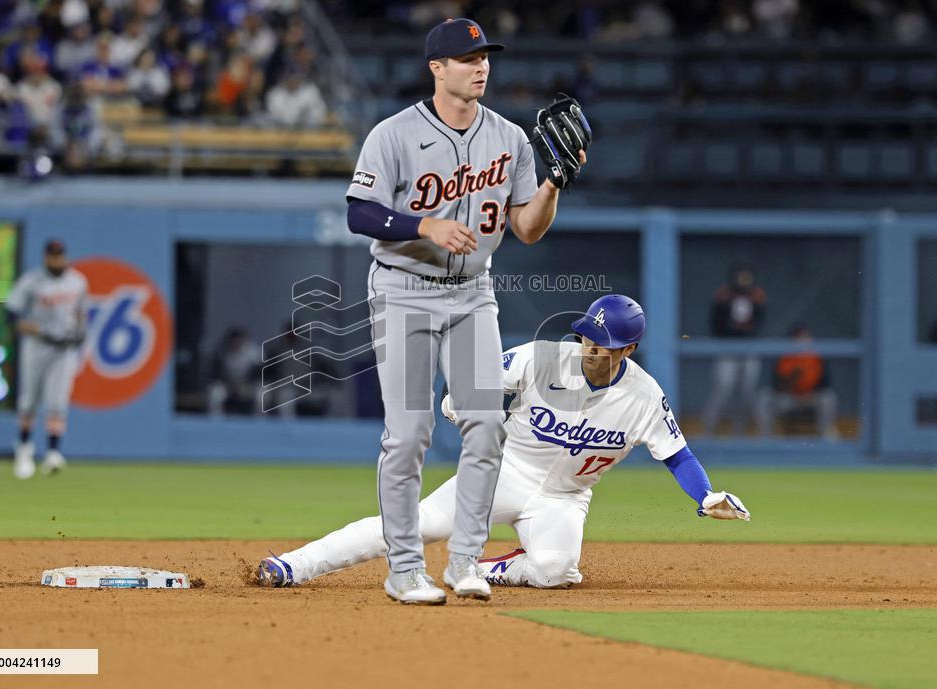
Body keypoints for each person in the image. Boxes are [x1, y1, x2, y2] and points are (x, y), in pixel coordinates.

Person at [334, 17, 589, 605]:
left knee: (487, 425)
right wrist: (423, 224)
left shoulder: (510, 138)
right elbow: (360, 214)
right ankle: (403, 570)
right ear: (437, 68)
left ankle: (466, 562)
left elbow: (526, 228)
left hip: (473, 293)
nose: (482, 66)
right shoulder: (393, 135)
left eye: (485, 57)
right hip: (403, 289)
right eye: (469, 58)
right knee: (409, 435)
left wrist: (552, 185)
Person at [257, 295, 750, 594]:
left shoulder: (644, 396)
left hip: (564, 497)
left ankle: (491, 569)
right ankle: (294, 566)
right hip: (502, 471)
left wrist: (705, 496)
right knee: (418, 524)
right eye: (587, 339)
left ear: (629, 349)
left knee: (558, 572)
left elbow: (677, 455)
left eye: (604, 345)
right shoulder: (541, 358)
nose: (591, 349)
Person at [4, 239, 89, 479]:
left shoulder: (78, 281)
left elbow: (81, 313)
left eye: (60, 255)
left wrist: (81, 333)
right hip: (37, 345)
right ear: (45, 257)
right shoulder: (32, 281)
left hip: (64, 347)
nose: (57, 259)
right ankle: (23, 449)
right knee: (29, 400)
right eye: (53, 255)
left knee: (57, 401)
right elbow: (10, 313)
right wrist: (26, 327)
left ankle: (53, 453)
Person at [702, 263, 767, 436]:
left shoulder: (756, 295)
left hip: (749, 349)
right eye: (741, 276)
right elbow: (715, 322)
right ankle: (707, 433)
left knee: (747, 393)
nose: (744, 281)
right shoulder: (724, 295)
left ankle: (739, 434)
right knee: (722, 390)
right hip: (727, 349)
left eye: (747, 277)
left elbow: (760, 321)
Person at [756, 323, 839, 440]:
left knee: (828, 398)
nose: (802, 342)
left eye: (805, 337)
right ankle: (766, 437)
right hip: (789, 399)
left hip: (811, 400)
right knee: (764, 397)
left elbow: (826, 385)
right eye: (798, 338)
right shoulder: (784, 358)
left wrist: (810, 396)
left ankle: (824, 435)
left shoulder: (817, 357)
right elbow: (777, 387)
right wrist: (792, 379)